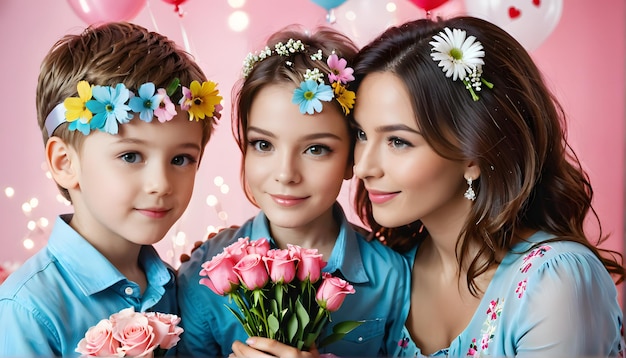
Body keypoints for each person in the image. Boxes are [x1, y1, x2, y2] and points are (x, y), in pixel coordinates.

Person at [350, 15, 625, 357]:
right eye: (361, 134)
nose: (362, 166)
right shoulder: (388, 274)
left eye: (398, 141)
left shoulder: (554, 283)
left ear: (473, 153)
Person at [176, 25, 410, 357]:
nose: (286, 174)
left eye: (316, 149)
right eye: (263, 144)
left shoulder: (391, 277)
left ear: (350, 160)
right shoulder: (202, 278)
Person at [0, 21, 222, 356]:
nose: (161, 184)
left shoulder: (180, 287)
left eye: (181, 159)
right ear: (65, 163)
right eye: (131, 155)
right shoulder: (29, 309)